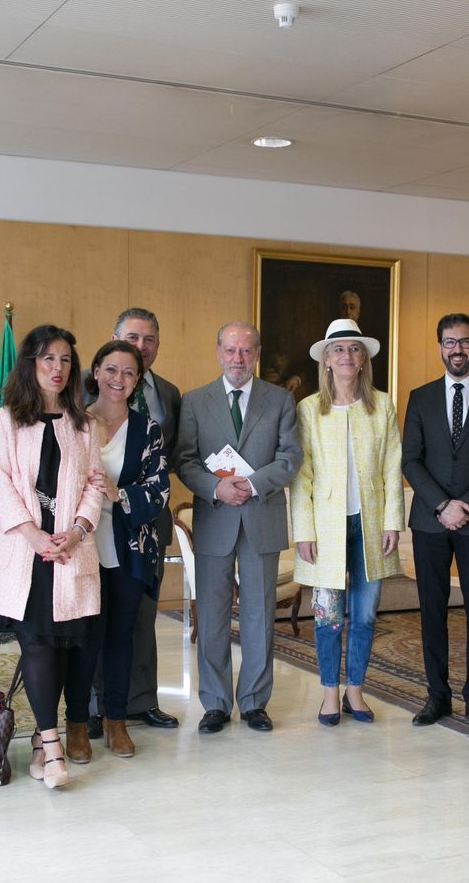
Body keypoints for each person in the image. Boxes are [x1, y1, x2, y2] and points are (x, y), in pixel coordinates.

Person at [0, 325, 103, 790]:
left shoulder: (83, 422)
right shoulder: (8, 419)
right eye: (48, 359)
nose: (57, 368)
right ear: (30, 364)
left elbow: (94, 485)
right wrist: (33, 535)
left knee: (64, 649)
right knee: (37, 645)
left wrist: (76, 530)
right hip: (24, 553)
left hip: (67, 553)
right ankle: (53, 746)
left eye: (66, 360)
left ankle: (41, 738)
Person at [173, 321, 302, 734]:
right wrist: (216, 487)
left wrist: (251, 484)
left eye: (246, 351)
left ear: (257, 354)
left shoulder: (281, 400)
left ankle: (253, 703)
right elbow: (185, 460)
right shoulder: (195, 401)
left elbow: (290, 457)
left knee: (259, 615)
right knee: (210, 615)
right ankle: (214, 703)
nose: (238, 359)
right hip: (214, 518)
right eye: (230, 350)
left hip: (261, 514)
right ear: (218, 352)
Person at [401, 312, 469, 727]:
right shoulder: (421, 396)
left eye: (465, 342)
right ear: (439, 348)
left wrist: (465, 504)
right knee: (432, 611)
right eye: (449, 342)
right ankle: (438, 696)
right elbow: (410, 459)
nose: (458, 349)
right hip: (430, 521)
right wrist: (441, 505)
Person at [291, 319, 403, 726]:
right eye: (338, 349)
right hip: (326, 531)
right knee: (327, 615)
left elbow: (393, 467)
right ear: (325, 359)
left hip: (370, 526)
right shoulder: (308, 410)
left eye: (354, 349)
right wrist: (303, 530)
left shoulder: (382, 405)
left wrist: (392, 522)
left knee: (366, 613)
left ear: (363, 360)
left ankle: (355, 690)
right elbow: (300, 476)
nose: (346, 356)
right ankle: (329, 695)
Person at [66, 340, 170, 758]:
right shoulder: (72, 423)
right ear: (95, 371)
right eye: (111, 370)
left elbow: (159, 489)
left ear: (137, 380)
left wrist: (119, 494)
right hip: (81, 548)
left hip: (129, 549)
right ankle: (76, 724)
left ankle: (115, 721)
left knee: (120, 637)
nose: (118, 379)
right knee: (83, 639)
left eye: (129, 373)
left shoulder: (148, 430)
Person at [111, 308, 182, 732]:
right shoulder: (89, 385)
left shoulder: (170, 393)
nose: (141, 347)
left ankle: (140, 700)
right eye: (132, 337)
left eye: (149, 339)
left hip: (149, 521)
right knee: (100, 615)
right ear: (115, 338)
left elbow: (171, 456)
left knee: (142, 615)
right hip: (99, 521)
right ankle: (101, 704)